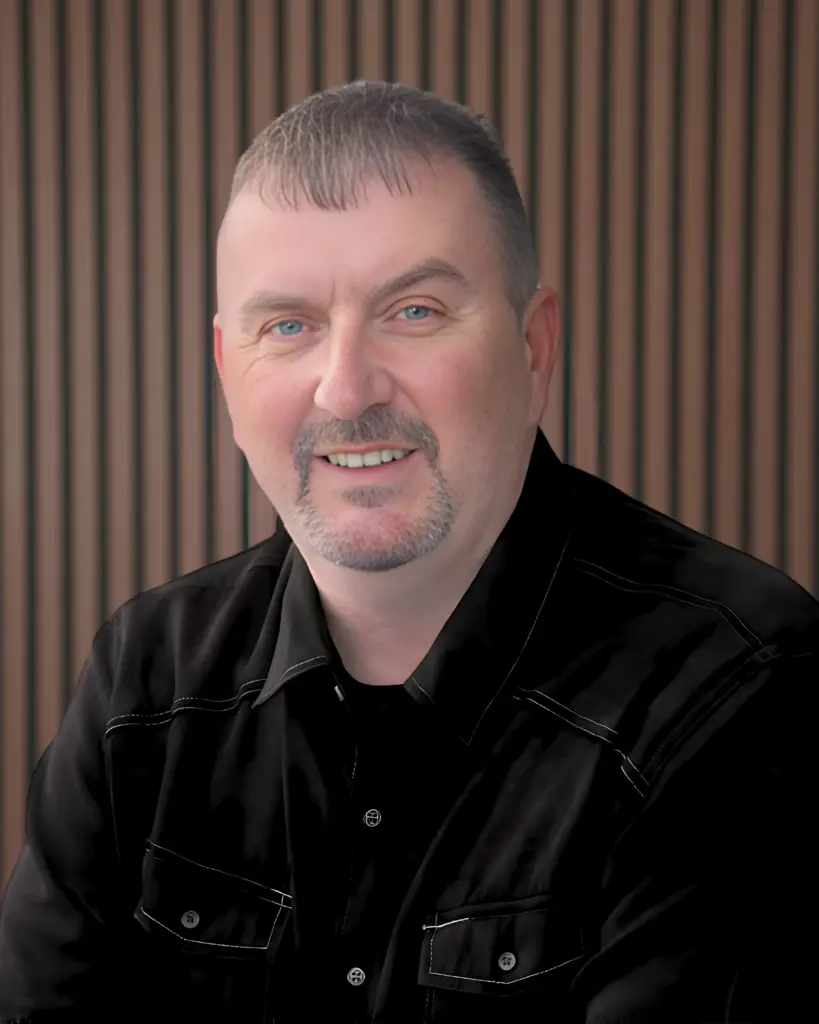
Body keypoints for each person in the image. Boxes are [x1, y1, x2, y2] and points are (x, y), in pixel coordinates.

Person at [0, 81, 815, 1024]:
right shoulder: (143, 682)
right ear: (228, 371)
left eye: (415, 311)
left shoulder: (736, 686)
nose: (345, 390)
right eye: (289, 326)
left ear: (533, 345)